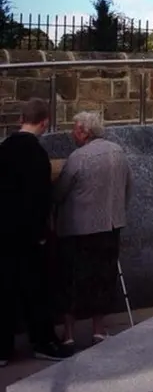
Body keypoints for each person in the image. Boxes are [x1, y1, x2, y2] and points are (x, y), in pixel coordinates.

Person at [0, 98, 73, 365]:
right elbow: (39, 199)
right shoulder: (37, 155)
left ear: (21, 118)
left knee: (4, 292)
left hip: (3, 235)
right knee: (36, 292)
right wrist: (41, 232)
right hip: (28, 237)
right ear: (44, 122)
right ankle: (43, 341)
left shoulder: (4, 148)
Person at [53, 111, 133, 347]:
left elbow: (60, 193)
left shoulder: (78, 157)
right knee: (103, 278)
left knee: (72, 280)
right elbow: (129, 186)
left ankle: (68, 334)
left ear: (85, 132)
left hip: (78, 229)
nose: (72, 133)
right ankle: (99, 330)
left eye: (75, 129)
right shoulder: (117, 151)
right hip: (110, 226)